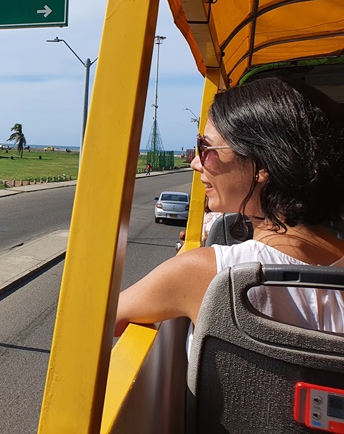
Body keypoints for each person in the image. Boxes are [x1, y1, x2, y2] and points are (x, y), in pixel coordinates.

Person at [115, 77, 344, 337]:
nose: (195, 163)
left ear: (262, 165)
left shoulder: (209, 272)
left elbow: (105, 318)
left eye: (206, 148)